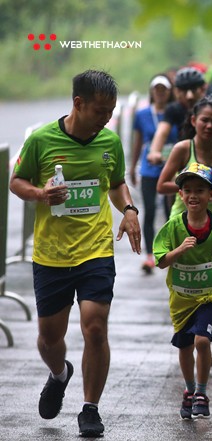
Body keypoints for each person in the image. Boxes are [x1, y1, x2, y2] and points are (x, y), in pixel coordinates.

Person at [9, 69, 142, 437]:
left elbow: (115, 183)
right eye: (100, 111)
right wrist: (40, 194)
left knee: (95, 326)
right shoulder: (41, 140)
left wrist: (129, 210)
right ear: (78, 103)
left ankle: (90, 408)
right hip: (51, 253)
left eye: (112, 111)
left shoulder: (109, 142)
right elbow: (16, 182)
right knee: (50, 338)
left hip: (95, 248)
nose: (107, 118)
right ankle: (59, 373)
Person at [153, 162, 212, 419]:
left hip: (208, 297)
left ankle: (202, 392)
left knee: (202, 341)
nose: (194, 195)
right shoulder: (173, 227)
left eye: (200, 190)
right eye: (188, 190)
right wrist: (179, 250)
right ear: (181, 195)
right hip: (181, 300)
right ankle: (188, 390)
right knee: (184, 348)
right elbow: (161, 260)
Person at [157, 95, 212, 220]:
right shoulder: (183, 149)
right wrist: (199, 182)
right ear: (194, 120)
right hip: (184, 220)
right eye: (205, 120)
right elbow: (161, 186)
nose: (210, 126)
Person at [130, 73, 178, 274]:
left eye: (163, 90)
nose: (160, 93)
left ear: (169, 92)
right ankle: (149, 255)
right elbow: (138, 141)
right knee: (149, 211)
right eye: (156, 89)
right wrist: (132, 167)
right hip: (149, 168)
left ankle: (170, 252)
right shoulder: (142, 115)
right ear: (151, 92)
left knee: (171, 212)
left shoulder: (175, 112)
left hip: (172, 167)